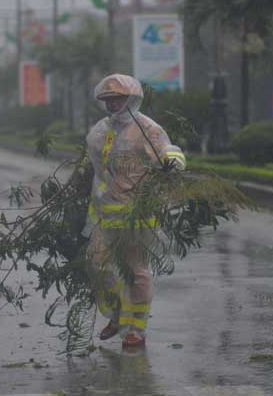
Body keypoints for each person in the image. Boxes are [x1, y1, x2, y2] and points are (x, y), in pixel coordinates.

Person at [83, 74, 186, 348]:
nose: (112, 103)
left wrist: (173, 162)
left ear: (131, 99)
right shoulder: (100, 131)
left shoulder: (148, 129)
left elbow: (169, 151)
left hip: (136, 216)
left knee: (136, 271)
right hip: (105, 215)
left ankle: (136, 329)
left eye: (117, 98)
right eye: (107, 99)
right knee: (95, 263)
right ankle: (118, 314)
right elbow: (95, 168)